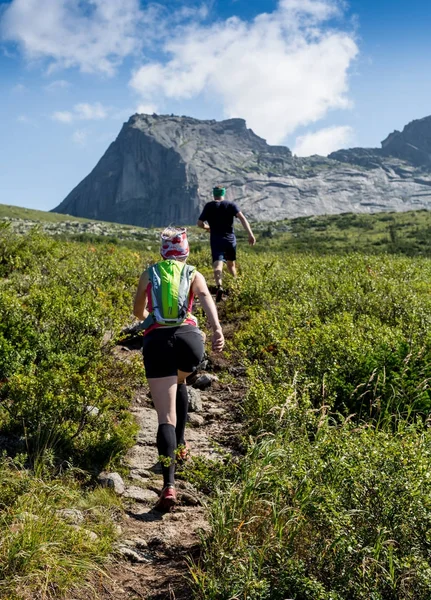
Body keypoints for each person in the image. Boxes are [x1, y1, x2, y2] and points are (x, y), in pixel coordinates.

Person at [133, 227, 224, 511]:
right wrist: (217, 330)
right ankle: (182, 445)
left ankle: (168, 485)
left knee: (165, 417)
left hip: (158, 342)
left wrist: (152, 319)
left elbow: (138, 312)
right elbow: (207, 298)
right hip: (190, 341)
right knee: (181, 381)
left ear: (162, 251)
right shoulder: (194, 273)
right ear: (186, 251)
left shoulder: (150, 274)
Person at [197, 186, 256, 302]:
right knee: (231, 265)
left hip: (216, 241)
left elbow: (199, 223)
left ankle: (219, 286)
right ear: (223, 194)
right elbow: (243, 219)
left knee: (217, 266)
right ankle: (237, 286)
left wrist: (208, 227)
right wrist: (250, 234)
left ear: (214, 194)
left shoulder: (209, 206)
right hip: (230, 240)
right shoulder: (231, 205)